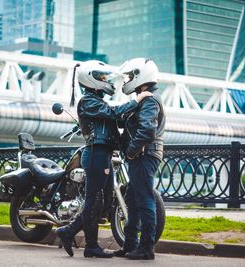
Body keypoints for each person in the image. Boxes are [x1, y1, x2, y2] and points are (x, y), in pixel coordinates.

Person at [55, 60, 152, 258]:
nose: (107, 81)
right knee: (94, 201)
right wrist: (138, 100)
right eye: (103, 77)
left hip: (103, 154)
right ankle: (89, 245)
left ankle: (69, 232)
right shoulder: (87, 101)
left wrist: (135, 115)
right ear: (92, 79)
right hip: (95, 154)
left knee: (104, 202)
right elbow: (114, 113)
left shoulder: (97, 101)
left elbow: (117, 118)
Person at [114, 58, 165, 260]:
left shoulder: (150, 99)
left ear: (140, 76)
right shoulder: (145, 98)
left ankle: (146, 249)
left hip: (144, 155)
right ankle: (130, 245)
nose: (127, 80)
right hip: (141, 155)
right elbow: (126, 120)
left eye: (130, 76)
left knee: (144, 201)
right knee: (132, 201)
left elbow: (147, 130)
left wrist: (130, 151)